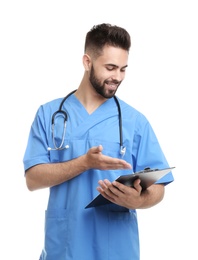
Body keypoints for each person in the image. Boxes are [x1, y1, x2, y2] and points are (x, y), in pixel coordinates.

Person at [23, 23, 174, 260]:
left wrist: (140, 199)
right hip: (64, 246)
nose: (117, 77)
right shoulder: (50, 115)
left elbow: (159, 185)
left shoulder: (135, 121)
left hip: (117, 248)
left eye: (123, 69)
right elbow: (32, 179)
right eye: (111, 67)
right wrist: (83, 163)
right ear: (87, 62)